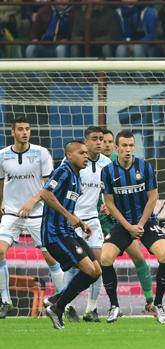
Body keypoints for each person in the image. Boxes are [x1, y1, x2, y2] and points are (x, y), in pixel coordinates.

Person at [100, 130, 165, 324]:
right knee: (104, 259)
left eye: (131, 145)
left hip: (146, 222)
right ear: (117, 148)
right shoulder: (107, 171)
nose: (128, 149)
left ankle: (158, 304)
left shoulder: (145, 167)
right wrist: (128, 226)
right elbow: (109, 203)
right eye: (124, 146)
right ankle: (114, 306)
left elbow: (153, 197)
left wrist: (139, 225)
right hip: (123, 224)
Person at [0, 117, 64, 319]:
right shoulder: (2, 155)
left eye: (27, 129)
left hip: (37, 212)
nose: (25, 132)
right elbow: (0, 183)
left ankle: (63, 303)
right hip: (12, 212)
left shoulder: (41, 153)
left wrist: (32, 201)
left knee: (51, 257)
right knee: (0, 251)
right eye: (20, 129)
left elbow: (48, 185)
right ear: (13, 132)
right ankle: (5, 301)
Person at [42, 140, 101, 330]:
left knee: (97, 270)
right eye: (82, 153)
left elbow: (65, 205)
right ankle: (58, 307)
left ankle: (55, 301)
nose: (86, 156)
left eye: (87, 153)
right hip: (55, 234)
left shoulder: (77, 177)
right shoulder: (64, 171)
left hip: (68, 231)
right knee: (89, 270)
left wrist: (80, 221)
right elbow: (45, 194)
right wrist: (69, 216)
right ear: (69, 155)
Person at [60, 127, 111, 322]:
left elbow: (109, 188)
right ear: (86, 141)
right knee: (74, 265)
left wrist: (107, 203)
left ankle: (91, 309)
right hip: (73, 219)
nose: (99, 142)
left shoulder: (106, 164)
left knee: (99, 263)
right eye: (94, 139)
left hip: (92, 219)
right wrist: (68, 215)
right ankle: (68, 306)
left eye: (101, 139)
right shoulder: (72, 161)